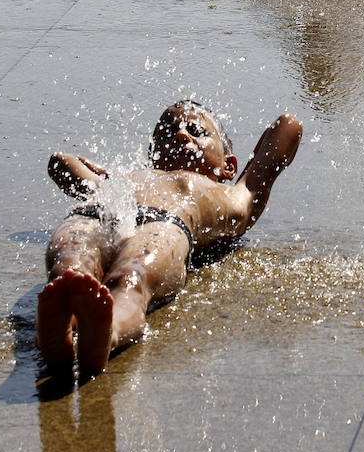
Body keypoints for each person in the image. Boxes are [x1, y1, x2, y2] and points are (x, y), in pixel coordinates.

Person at [36, 100, 303, 374]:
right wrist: (106, 176)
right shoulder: (123, 181)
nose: (180, 134)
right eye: (166, 132)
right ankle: (60, 327)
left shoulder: (234, 195)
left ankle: (109, 329)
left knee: (131, 279)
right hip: (97, 213)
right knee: (69, 266)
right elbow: (59, 163)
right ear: (152, 156)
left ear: (229, 167)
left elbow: (287, 126)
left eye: (197, 131)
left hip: (166, 225)